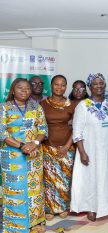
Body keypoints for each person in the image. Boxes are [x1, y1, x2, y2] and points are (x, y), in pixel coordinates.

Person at [0, 78, 48, 232]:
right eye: (20, 88)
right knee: (15, 188)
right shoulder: (4, 108)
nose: (24, 91)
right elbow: (2, 133)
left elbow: (43, 129)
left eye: (27, 88)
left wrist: (34, 143)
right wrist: (21, 145)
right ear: (13, 90)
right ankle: (15, 226)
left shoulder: (36, 107)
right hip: (13, 156)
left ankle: (34, 223)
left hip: (33, 155)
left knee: (34, 190)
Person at [70, 73, 108, 221]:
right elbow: (77, 131)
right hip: (89, 150)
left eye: (101, 83)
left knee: (106, 177)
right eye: (95, 84)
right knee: (90, 178)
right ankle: (90, 207)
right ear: (90, 87)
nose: (99, 86)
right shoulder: (83, 106)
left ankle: (105, 205)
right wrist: (82, 152)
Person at [40, 75, 77, 221]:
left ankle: (62, 206)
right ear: (51, 86)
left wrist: (67, 146)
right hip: (47, 146)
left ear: (66, 87)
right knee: (49, 180)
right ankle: (49, 208)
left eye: (62, 85)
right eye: (56, 84)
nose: (59, 87)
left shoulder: (71, 105)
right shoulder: (43, 104)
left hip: (66, 147)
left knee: (64, 179)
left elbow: (77, 127)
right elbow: (38, 125)